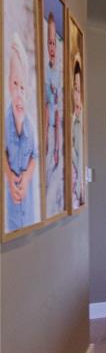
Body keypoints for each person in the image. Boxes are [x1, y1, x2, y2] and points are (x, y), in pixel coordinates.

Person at [4, 34, 39, 231]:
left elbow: (34, 155)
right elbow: (3, 152)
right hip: (12, 205)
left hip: (29, 204)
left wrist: (25, 178)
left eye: (23, 87)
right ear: (9, 84)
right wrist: (10, 177)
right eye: (15, 84)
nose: (19, 92)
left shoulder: (31, 126)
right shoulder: (5, 123)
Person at [43, 11, 64, 212]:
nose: (51, 47)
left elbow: (57, 115)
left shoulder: (57, 76)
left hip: (53, 134)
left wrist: (57, 148)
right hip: (46, 132)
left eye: (53, 43)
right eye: (48, 43)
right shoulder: (44, 73)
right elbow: (48, 110)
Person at [70, 54, 84, 208]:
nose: (77, 94)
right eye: (75, 88)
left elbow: (79, 161)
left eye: (80, 89)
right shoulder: (70, 120)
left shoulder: (82, 123)